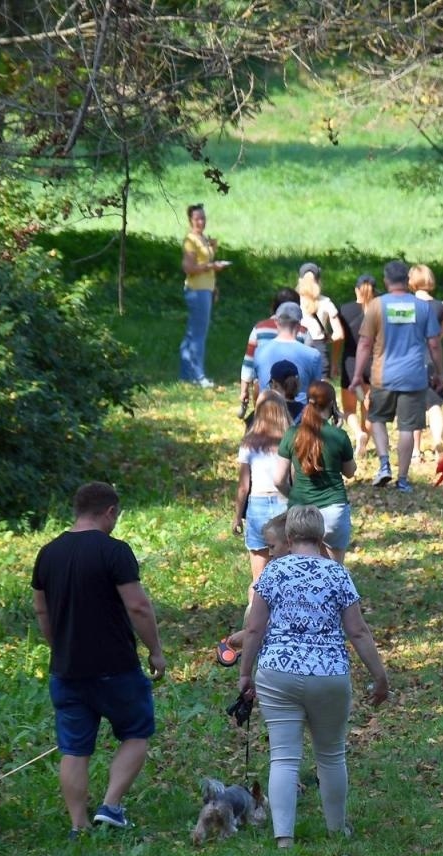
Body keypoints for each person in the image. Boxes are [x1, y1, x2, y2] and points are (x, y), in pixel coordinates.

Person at [237, 505, 388, 847]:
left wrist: (245, 674)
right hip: (329, 673)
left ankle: (284, 838)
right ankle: (337, 830)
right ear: (322, 539)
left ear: (288, 538)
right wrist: (380, 677)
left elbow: (255, 627)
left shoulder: (272, 573)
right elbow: (358, 632)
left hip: (278, 672)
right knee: (331, 754)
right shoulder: (337, 574)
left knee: (284, 756)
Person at [31, 482, 166, 837]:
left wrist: (57, 646)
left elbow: (41, 610)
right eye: (116, 515)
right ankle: (110, 805)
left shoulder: (48, 553)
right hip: (116, 666)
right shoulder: (115, 551)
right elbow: (137, 605)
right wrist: (155, 650)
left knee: (74, 748)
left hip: (66, 669)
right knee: (136, 733)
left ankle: (78, 825)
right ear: (109, 511)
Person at [354, 259, 443, 493]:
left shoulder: (376, 306)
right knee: (407, 428)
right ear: (407, 281)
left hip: (382, 375)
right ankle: (402, 479)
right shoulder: (422, 307)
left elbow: (364, 343)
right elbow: (434, 344)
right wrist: (440, 373)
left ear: (385, 280)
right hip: (414, 376)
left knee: (377, 419)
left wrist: (356, 375)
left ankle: (384, 463)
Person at [276, 380, 356, 562]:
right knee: (334, 572)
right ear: (332, 404)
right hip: (333, 511)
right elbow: (350, 472)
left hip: (300, 512)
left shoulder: (291, 434)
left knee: (300, 570)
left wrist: (294, 496)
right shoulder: (338, 436)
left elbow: (279, 479)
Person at [233, 392, 291, 588]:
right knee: (287, 574)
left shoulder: (249, 443)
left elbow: (243, 487)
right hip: (284, 504)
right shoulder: (290, 440)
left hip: (257, 505)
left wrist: (237, 516)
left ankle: (254, 616)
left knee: (258, 581)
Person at [179, 204, 229, 387]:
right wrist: (211, 266)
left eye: (203, 218)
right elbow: (189, 268)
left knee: (192, 333)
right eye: (197, 218)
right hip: (196, 290)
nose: (201, 221)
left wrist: (214, 286)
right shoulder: (191, 240)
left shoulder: (203, 239)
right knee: (199, 334)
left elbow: (206, 264)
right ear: (191, 220)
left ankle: (186, 374)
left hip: (206, 289)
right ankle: (198, 376)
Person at [238, 287, 302, 418]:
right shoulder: (303, 331)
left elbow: (249, 362)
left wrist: (244, 391)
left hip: (263, 392)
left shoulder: (259, 328)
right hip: (295, 392)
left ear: (273, 306)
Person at [409, 263, 443, 461]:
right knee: (435, 405)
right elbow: (441, 334)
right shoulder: (440, 305)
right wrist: (440, 370)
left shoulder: (407, 305)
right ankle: (437, 441)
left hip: (412, 359)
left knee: (415, 404)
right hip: (432, 358)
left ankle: (416, 450)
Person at [254, 302, 324, 405]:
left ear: (276, 323)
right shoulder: (313, 355)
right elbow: (316, 393)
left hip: (268, 414)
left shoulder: (260, 351)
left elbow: (257, 385)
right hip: (300, 417)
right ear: (299, 325)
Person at [336, 274, 375, 460]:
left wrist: (334, 362)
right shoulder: (379, 310)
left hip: (351, 363)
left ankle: (358, 433)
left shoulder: (344, 310)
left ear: (356, 290)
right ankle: (365, 445)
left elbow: (339, 337)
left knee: (349, 409)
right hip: (373, 363)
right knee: (368, 406)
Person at [296, 263, 345, 382]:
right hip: (320, 351)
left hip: (298, 349)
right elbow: (339, 335)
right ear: (319, 280)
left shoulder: (293, 301)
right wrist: (329, 339)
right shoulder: (326, 302)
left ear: (300, 280)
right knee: (322, 396)